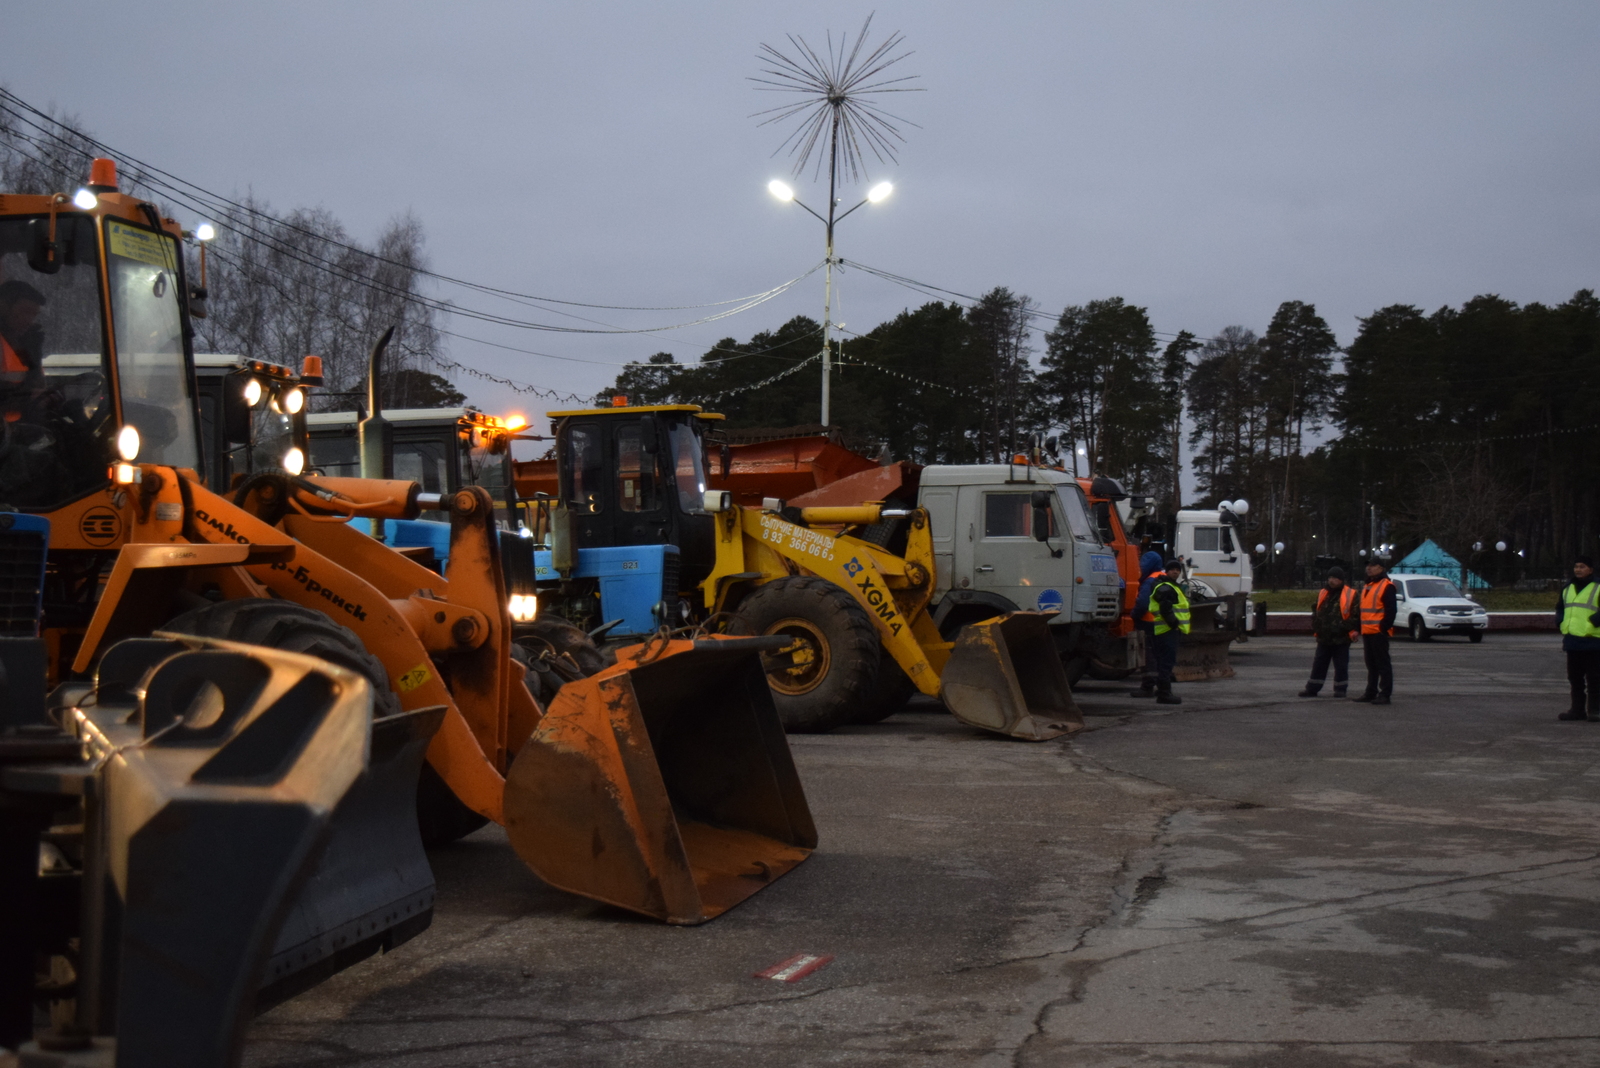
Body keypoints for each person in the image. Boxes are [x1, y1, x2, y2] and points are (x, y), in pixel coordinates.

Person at [1299, 566, 1359, 697]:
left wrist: (1345, 628)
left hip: (1341, 637)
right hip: (1324, 636)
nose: (1331, 580)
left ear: (1341, 580)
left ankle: (1340, 689)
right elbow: (1317, 611)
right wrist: (1317, 625)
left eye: (1335, 578)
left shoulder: (1351, 594)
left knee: (1341, 665)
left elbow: (1355, 615)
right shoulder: (1323, 593)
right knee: (1319, 663)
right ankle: (1312, 688)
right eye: (1330, 577)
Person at [1140, 559, 1189, 706]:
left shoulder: (1169, 586)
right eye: (1173, 569)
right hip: (1167, 630)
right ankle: (1164, 694)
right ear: (1166, 571)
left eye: (1178, 570)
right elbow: (1166, 608)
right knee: (1167, 662)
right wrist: (1174, 624)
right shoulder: (1166, 587)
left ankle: (1163, 691)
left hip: (1164, 630)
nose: (1176, 572)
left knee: (1163, 661)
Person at [1556, 555, 1600, 722]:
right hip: (1572, 640)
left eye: (1582, 566)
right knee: (1575, 678)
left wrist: (1594, 622)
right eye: (1576, 567)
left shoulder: (1598, 586)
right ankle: (1577, 710)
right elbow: (1560, 608)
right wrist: (1559, 621)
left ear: (1590, 569)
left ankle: (1595, 710)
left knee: (1594, 679)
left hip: (1593, 640)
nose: (1578, 570)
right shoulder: (1568, 587)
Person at [1353, 560, 1397, 705]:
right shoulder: (1368, 585)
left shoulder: (1387, 586)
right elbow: (1363, 611)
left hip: (1378, 632)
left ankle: (1385, 694)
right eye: (1368, 566)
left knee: (1382, 664)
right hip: (1368, 631)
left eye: (1373, 566)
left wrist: (1383, 628)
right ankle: (1371, 692)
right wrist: (1359, 629)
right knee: (1371, 665)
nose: (1369, 568)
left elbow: (1391, 610)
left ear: (1381, 568)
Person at [1128, 550, 1167, 699]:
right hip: (1163, 625)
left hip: (1148, 623)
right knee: (1160, 656)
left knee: (1148, 656)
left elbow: (1143, 603)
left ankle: (1147, 686)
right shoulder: (1164, 578)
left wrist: (1134, 616)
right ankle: (1162, 685)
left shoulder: (1149, 581)